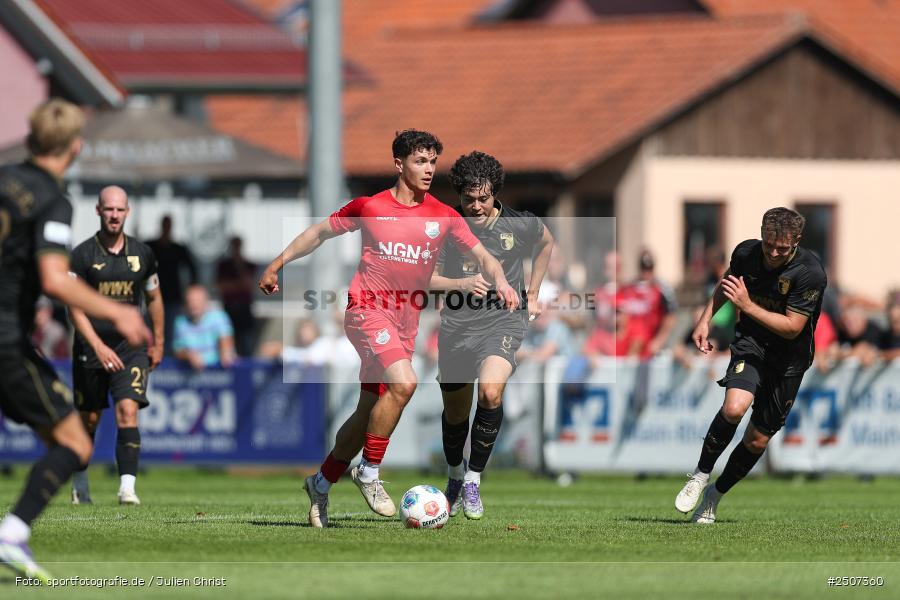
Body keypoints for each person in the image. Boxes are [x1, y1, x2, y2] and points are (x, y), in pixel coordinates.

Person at [258, 130, 518, 528]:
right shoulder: (370, 206)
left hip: (405, 324)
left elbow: (485, 257)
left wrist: (499, 281)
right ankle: (369, 472)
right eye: (420, 161)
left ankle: (321, 482)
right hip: (366, 311)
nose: (429, 170)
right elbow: (318, 233)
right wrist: (277, 264)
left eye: (433, 162)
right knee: (405, 383)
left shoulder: (444, 216)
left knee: (367, 414)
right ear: (399, 164)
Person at [0, 99, 150, 581]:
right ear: (75, 147)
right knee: (73, 443)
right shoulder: (51, 198)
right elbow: (53, 278)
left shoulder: (3, 180)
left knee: (56, 436)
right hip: (4, 337)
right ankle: (12, 533)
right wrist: (120, 314)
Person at [674, 207, 826, 523]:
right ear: (761, 232)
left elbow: (792, 327)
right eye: (768, 243)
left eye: (781, 248)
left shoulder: (810, 273)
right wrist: (705, 320)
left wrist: (746, 305)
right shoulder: (746, 252)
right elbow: (727, 285)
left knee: (756, 440)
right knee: (733, 408)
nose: (772, 252)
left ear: (796, 241)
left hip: (789, 362)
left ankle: (714, 496)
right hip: (752, 347)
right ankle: (700, 476)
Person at [429, 151, 553, 519]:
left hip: (503, 321)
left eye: (483, 198)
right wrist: (461, 284)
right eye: (470, 199)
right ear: (460, 194)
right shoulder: (446, 227)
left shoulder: (519, 223)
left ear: (494, 193)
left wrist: (533, 291)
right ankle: (453, 475)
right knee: (455, 414)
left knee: (490, 391)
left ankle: (472, 480)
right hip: (456, 327)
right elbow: (425, 280)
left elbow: (547, 243)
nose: (477, 205)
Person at [67, 186, 164, 506]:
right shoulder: (82, 255)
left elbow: (154, 298)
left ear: (128, 212)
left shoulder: (142, 254)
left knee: (127, 410)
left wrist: (159, 341)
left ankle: (127, 488)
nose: (114, 215)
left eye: (119, 210)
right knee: (90, 418)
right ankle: (80, 481)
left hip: (130, 346)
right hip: (90, 347)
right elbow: (73, 307)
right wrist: (96, 345)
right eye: (108, 209)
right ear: (97, 211)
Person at [146, 215, 197, 355]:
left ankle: (166, 364)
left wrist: (190, 294)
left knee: (170, 334)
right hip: (151, 297)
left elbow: (193, 271)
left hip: (173, 299)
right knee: (151, 331)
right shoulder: (150, 246)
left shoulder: (178, 249)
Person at [172, 285, 236, 370]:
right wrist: (189, 355)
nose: (194, 304)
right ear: (185, 304)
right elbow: (177, 350)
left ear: (206, 302)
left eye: (198, 301)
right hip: (191, 373)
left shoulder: (219, 316)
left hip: (218, 371)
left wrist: (226, 352)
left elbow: (226, 339)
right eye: (190, 301)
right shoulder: (180, 322)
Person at [216, 236, 258, 357]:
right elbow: (222, 286)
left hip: (245, 310)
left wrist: (239, 267)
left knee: (247, 345)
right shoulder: (223, 265)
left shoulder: (249, 265)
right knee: (228, 343)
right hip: (229, 309)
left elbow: (249, 285)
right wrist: (239, 285)